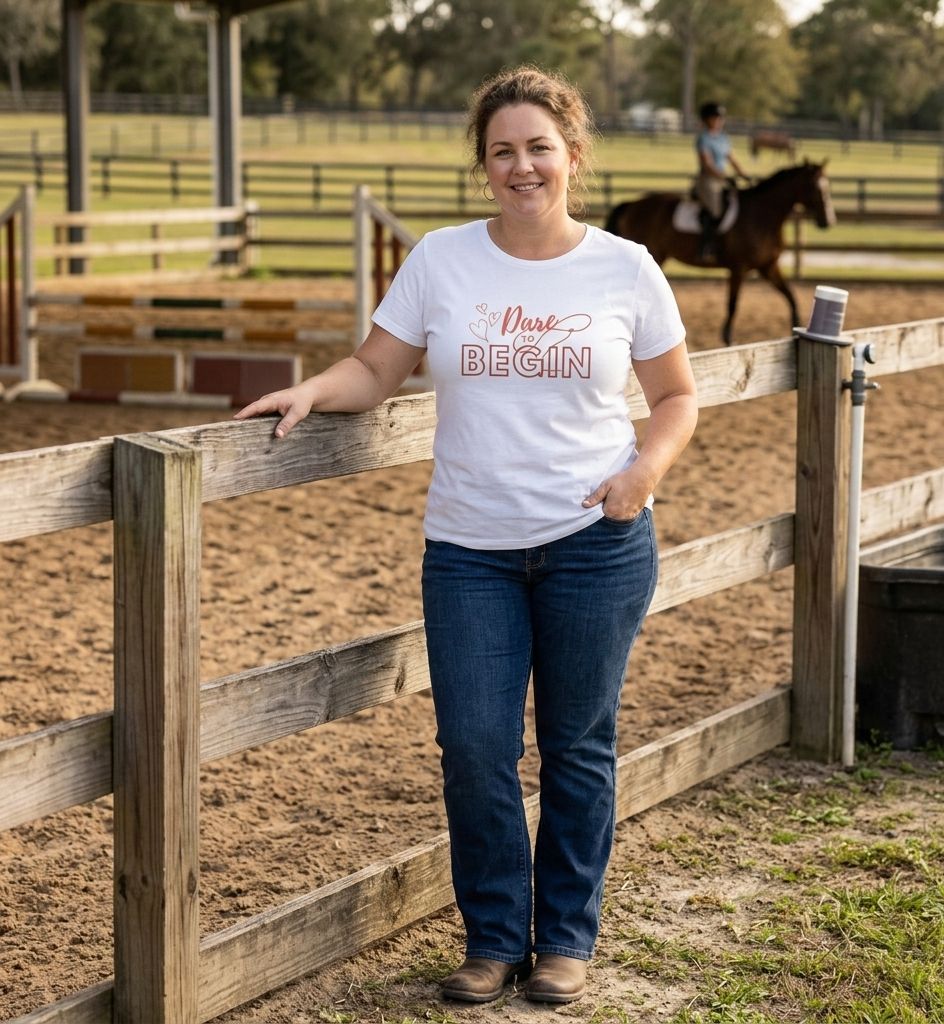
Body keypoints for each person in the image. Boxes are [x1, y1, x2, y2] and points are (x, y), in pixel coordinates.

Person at [235, 65, 698, 1006]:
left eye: (539, 148)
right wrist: (313, 390)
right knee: (477, 747)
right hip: (469, 552)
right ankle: (492, 940)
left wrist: (643, 474)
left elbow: (677, 396)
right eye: (502, 151)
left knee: (577, 744)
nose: (522, 166)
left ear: (573, 154)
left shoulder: (626, 267)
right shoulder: (442, 260)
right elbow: (376, 369)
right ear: (483, 164)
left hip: (595, 543)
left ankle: (563, 940)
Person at [694, 100, 747, 263]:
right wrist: (724, 176)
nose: (719, 120)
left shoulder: (724, 138)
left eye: (721, 118)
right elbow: (707, 164)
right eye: (716, 117)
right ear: (707, 119)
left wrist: (743, 174)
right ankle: (706, 246)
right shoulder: (703, 139)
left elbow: (732, 158)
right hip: (708, 180)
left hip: (723, 179)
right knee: (715, 210)